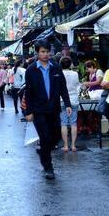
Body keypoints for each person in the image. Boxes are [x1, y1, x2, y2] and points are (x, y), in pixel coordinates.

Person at [24, 40, 72, 180]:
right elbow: (28, 92)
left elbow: (63, 87)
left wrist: (67, 104)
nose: (45, 54)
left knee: (56, 135)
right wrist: (29, 111)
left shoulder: (56, 68)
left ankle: (43, 151)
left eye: (47, 52)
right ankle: (48, 167)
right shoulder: (31, 69)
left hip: (54, 108)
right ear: (38, 53)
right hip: (39, 110)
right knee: (44, 137)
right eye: (42, 52)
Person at [59, 56, 80, 152]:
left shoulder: (59, 74)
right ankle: (73, 146)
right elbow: (77, 86)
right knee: (73, 123)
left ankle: (66, 146)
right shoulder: (75, 74)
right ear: (70, 64)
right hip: (73, 100)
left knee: (63, 123)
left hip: (62, 100)